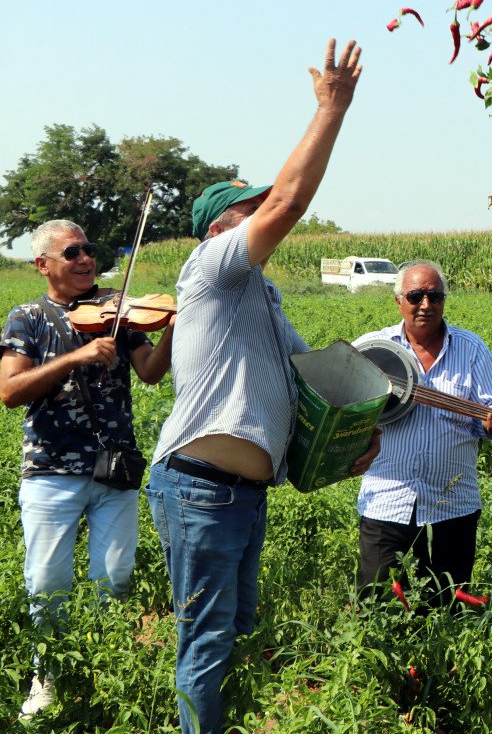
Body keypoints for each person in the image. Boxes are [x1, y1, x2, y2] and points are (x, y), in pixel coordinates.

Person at [144, 39, 379, 734]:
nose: (263, 214)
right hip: (200, 489)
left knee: (233, 631)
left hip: (241, 498)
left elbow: (322, 394)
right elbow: (290, 199)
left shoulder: (265, 304)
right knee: (208, 643)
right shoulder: (211, 272)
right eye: (249, 210)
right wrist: (332, 110)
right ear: (218, 231)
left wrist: (351, 443)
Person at [0, 219, 174, 718]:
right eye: (71, 252)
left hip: (113, 469)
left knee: (114, 577)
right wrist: (76, 356)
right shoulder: (27, 317)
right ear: (43, 265)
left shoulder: (118, 309)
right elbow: (10, 392)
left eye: (88, 250)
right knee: (46, 581)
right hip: (51, 470)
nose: (84, 260)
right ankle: (47, 678)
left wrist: (173, 330)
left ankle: (102, 675)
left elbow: (150, 373)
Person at [353, 260, 492, 609]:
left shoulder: (471, 349)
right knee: (377, 606)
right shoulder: (373, 349)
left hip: (452, 503)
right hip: (387, 501)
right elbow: (338, 397)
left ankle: (439, 666)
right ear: (398, 301)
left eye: (434, 296)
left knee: (447, 607)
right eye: (415, 296)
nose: (425, 305)